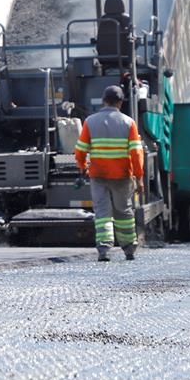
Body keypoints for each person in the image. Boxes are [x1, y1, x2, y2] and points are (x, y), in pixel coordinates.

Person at [74, 85, 145, 261]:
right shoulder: (129, 123)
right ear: (120, 102)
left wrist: (82, 166)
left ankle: (104, 250)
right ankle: (129, 248)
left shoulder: (90, 121)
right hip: (122, 176)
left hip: (98, 175)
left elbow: (81, 149)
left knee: (102, 212)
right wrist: (139, 178)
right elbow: (136, 154)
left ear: (104, 100)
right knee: (123, 211)